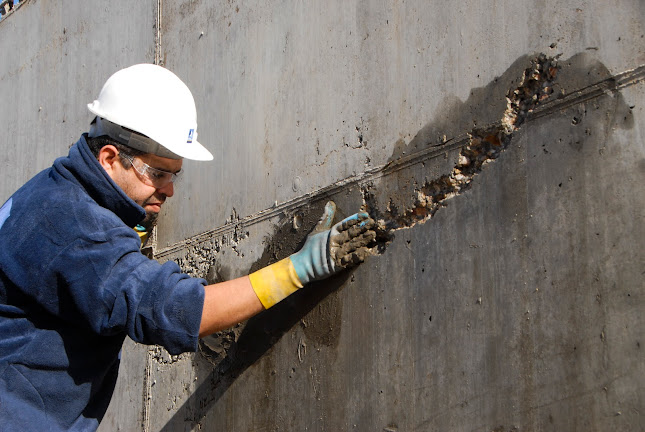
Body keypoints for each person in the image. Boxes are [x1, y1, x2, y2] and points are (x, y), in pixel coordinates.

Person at [0, 64, 376, 430]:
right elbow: (178, 311)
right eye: (158, 174)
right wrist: (300, 268)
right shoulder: (78, 228)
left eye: (174, 174)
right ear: (110, 159)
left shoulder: (52, 190)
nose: (169, 189)